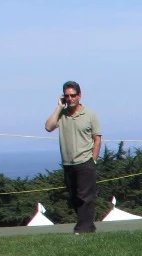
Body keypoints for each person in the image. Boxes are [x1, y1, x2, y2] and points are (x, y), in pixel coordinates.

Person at [45, 80, 101, 234]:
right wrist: (59, 107)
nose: (70, 98)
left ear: (79, 95)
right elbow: (48, 127)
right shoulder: (62, 115)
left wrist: (93, 159)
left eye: (73, 95)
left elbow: (97, 139)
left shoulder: (90, 115)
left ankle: (81, 229)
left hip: (85, 161)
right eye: (67, 96)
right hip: (68, 163)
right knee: (74, 198)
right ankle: (88, 227)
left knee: (85, 197)